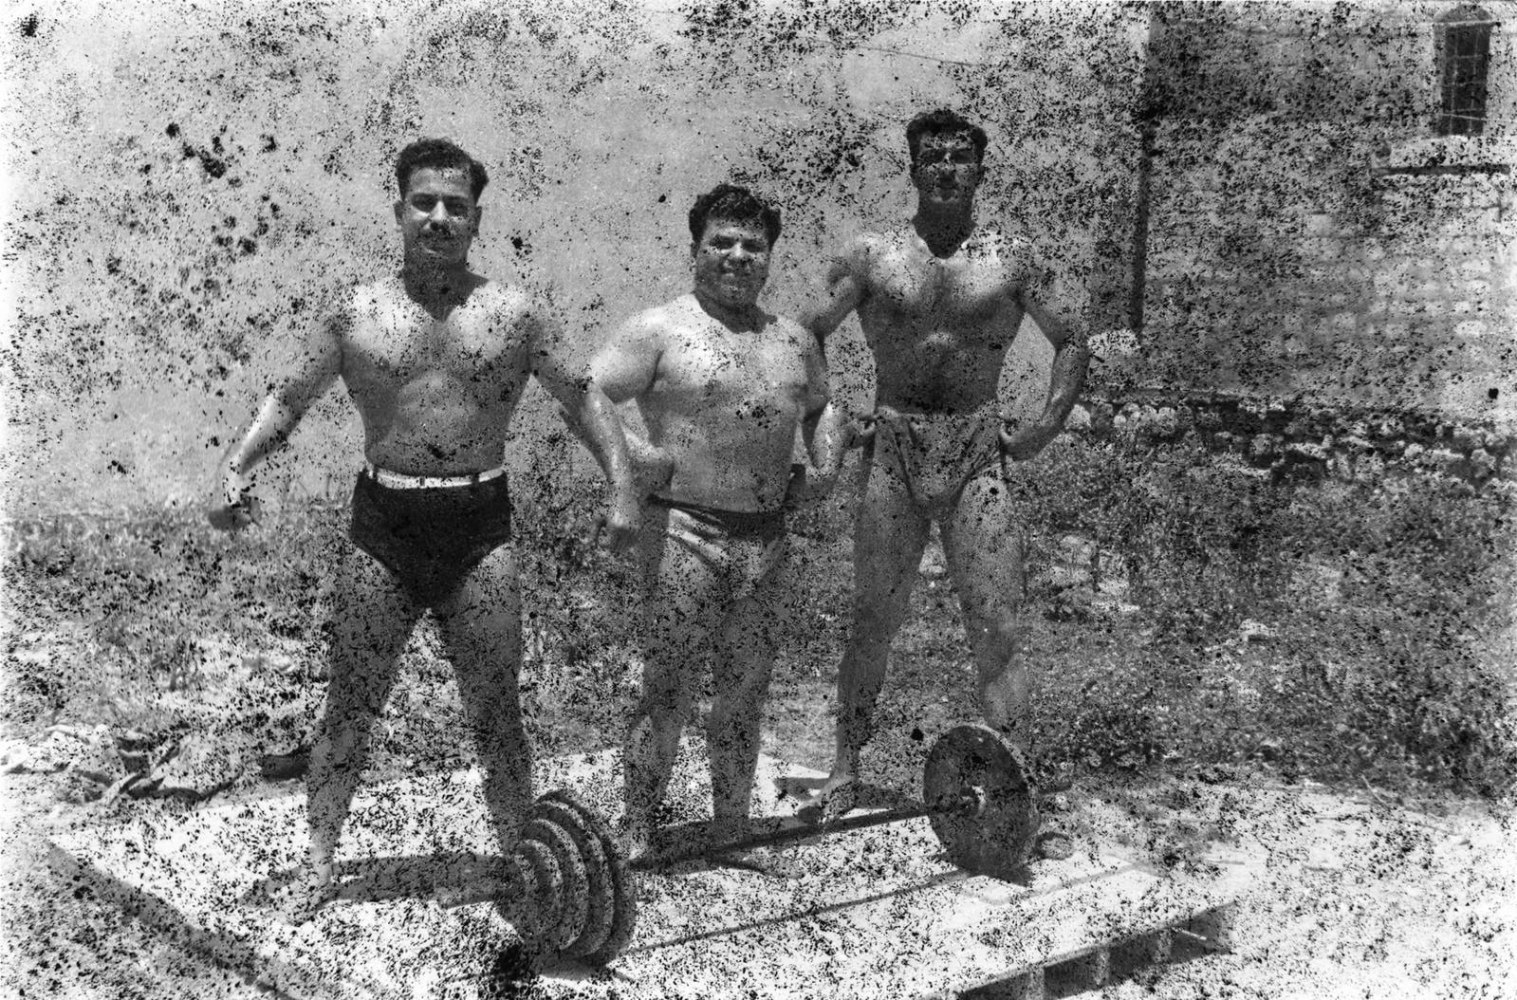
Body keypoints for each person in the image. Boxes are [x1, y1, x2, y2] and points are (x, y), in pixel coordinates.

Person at [207, 138, 640, 922]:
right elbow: (289, 397)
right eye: (424, 202)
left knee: (497, 710)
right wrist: (237, 465)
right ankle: (318, 863)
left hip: (480, 526)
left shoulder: (514, 315)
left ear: (476, 219)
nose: (439, 217)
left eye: (456, 206)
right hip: (386, 525)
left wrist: (622, 487)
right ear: (400, 210)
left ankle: (520, 866)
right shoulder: (355, 314)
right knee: (350, 705)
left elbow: (582, 397)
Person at [795, 109, 1090, 838]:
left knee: (997, 625)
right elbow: (807, 332)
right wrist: (832, 415)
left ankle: (1019, 790)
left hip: (976, 449)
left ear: (981, 169)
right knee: (873, 618)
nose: (947, 169)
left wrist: (1045, 425)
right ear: (913, 168)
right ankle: (844, 770)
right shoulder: (872, 254)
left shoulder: (1011, 258)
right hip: (894, 446)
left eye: (961, 157)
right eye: (933, 157)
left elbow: (1071, 337)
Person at [584, 184, 846, 863]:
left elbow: (823, 406)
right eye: (720, 243)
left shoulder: (792, 339)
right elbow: (585, 393)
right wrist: (632, 460)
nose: (736, 256)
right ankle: (636, 830)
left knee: (745, 693)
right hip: (682, 530)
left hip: (766, 536)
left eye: (752, 245)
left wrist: (825, 467)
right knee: (667, 689)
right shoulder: (658, 328)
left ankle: (732, 828)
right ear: (695, 249)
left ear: (769, 256)